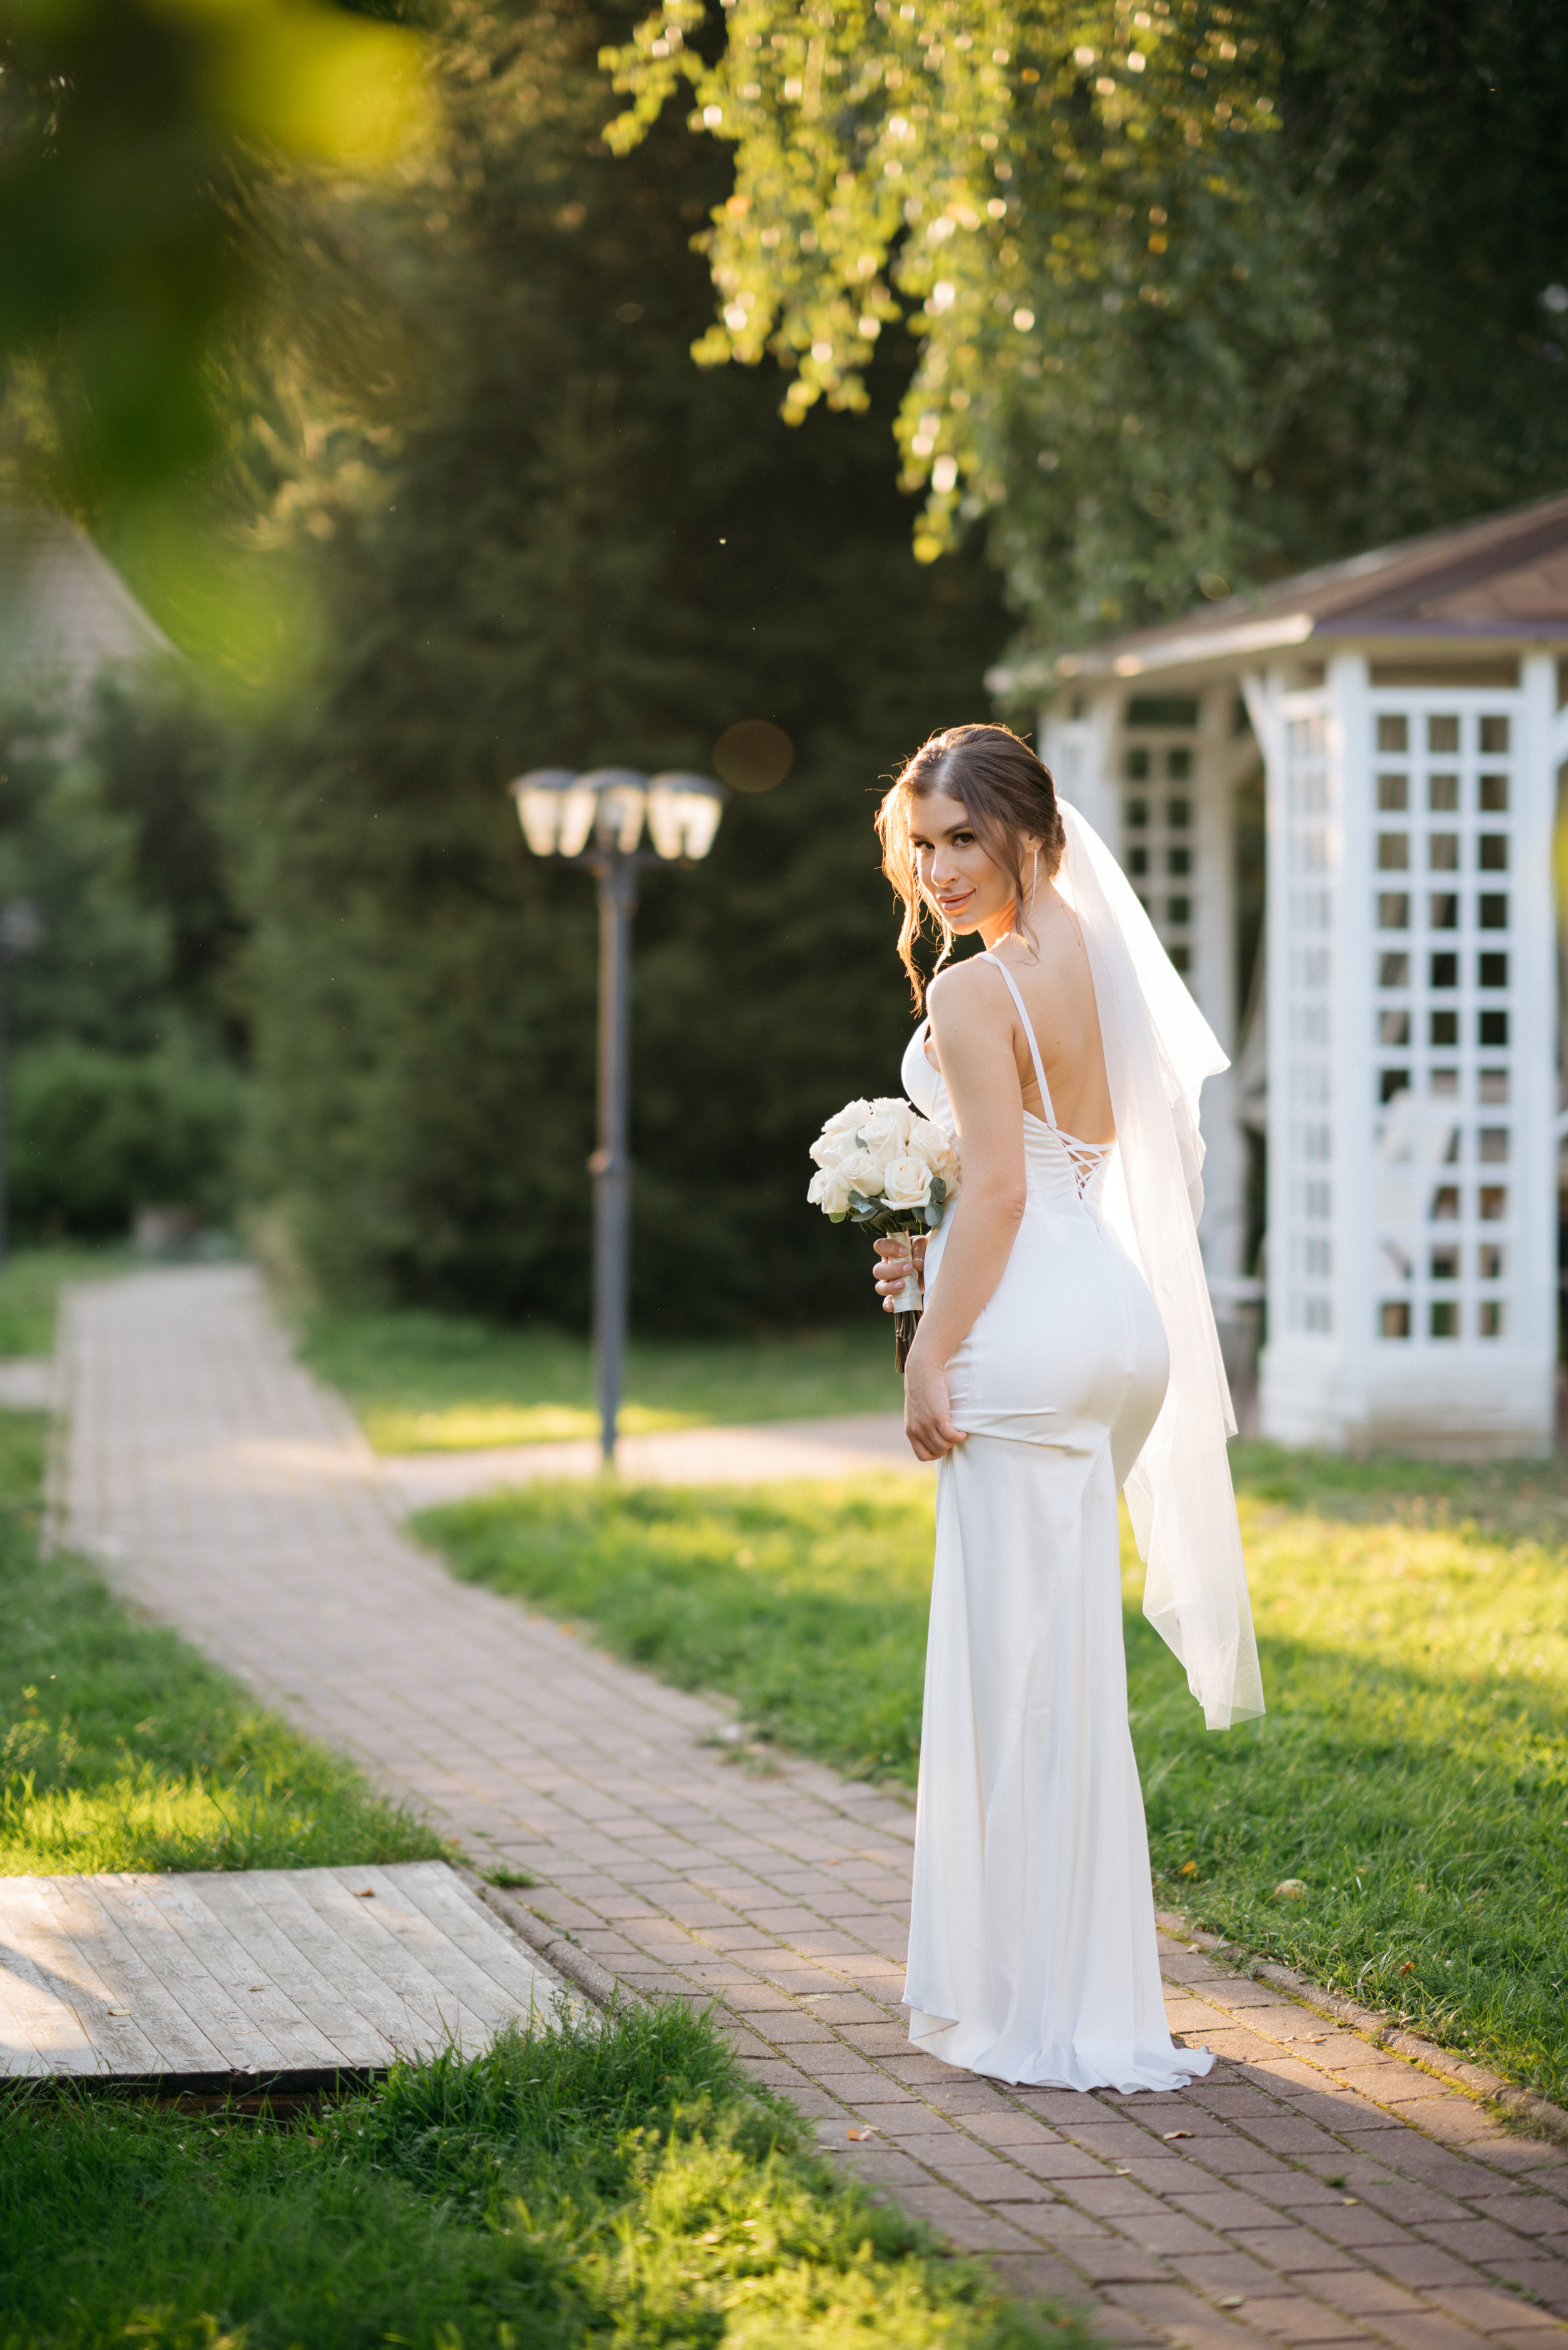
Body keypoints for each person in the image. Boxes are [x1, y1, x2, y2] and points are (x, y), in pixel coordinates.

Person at [871, 722, 1263, 2093]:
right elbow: (1055, 1167)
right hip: (1115, 1326)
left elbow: (996, 1190)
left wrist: (928, 1354)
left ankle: (1043, 2010)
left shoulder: (974, 996)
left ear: (1030, 837)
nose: (939, 870)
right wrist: (927, 1251)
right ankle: (1085, 1992)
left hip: (1026, 1343)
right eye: (920, 846)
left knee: (1009, 1679)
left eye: (963, 839)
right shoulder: (1102, 960)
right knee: (1065, 1677)